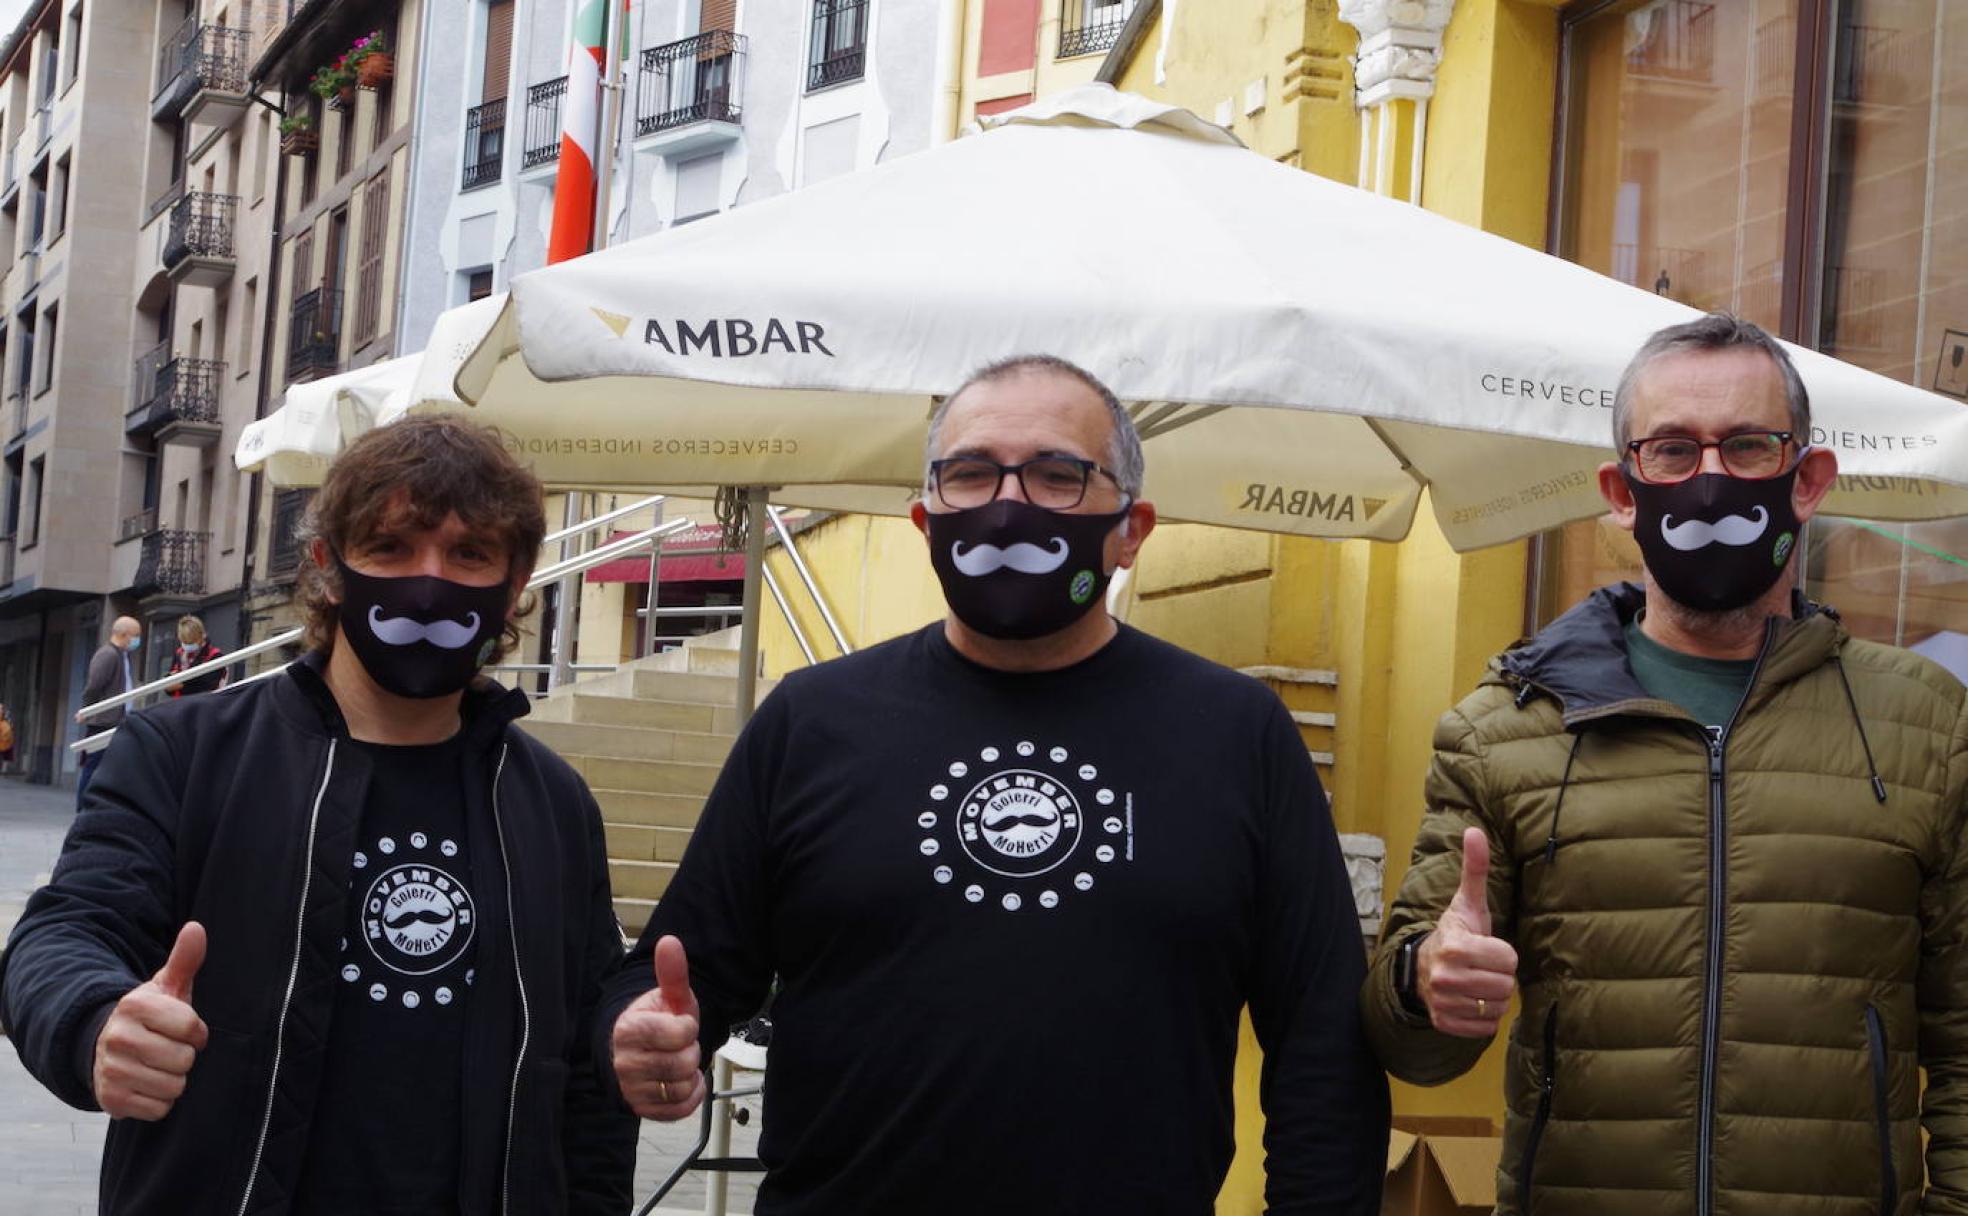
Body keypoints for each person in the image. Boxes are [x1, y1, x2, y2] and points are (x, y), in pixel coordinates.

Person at [602, 354, 1389, 1213]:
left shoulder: (1239, 734)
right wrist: (648, 1034)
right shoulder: (811, 721)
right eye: (970, 473)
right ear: (924, 517)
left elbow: (1323, 1046)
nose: (1007, 504)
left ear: (1133, 529)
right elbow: (681, 975)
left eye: (1059, 475)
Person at [1362, 313, 1968, 1213]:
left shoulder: (1926, 722)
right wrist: (1423, 984)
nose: (1712, 480)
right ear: (1621, 490)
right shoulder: (1503, 732)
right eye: (1674, 452)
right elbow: (1410, 1047)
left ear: (1808, 481)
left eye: (1749, 447)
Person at [0, 416, 636, 1214]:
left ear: (515, 584)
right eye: (391, 546)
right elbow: (64, 931)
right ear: (328, 569)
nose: (429, 581)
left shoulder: (553, 803)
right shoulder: (185, 754)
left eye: (469, 553)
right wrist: (94, 1019)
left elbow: (587, 1076)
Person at [73, 615, 142, 809]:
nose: (137, 640)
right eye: (135, 635)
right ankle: (84, 808)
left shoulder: (123, 656)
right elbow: (94, 686)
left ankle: (98, 807)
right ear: (123, 634)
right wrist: (87, 710)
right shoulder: (108, 655)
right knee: (94, 767)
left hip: (116, 720)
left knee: (107, 767)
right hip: (103, 722)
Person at [163, 615, 227, 698]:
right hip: (180, 704)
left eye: (191, 642)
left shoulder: (215, 655)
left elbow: (209, 686)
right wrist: (168, 686)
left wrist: (182, 685)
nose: (188, 646)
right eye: (185, 642)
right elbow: (170, 683)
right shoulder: (179, 654)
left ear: (201, 636)